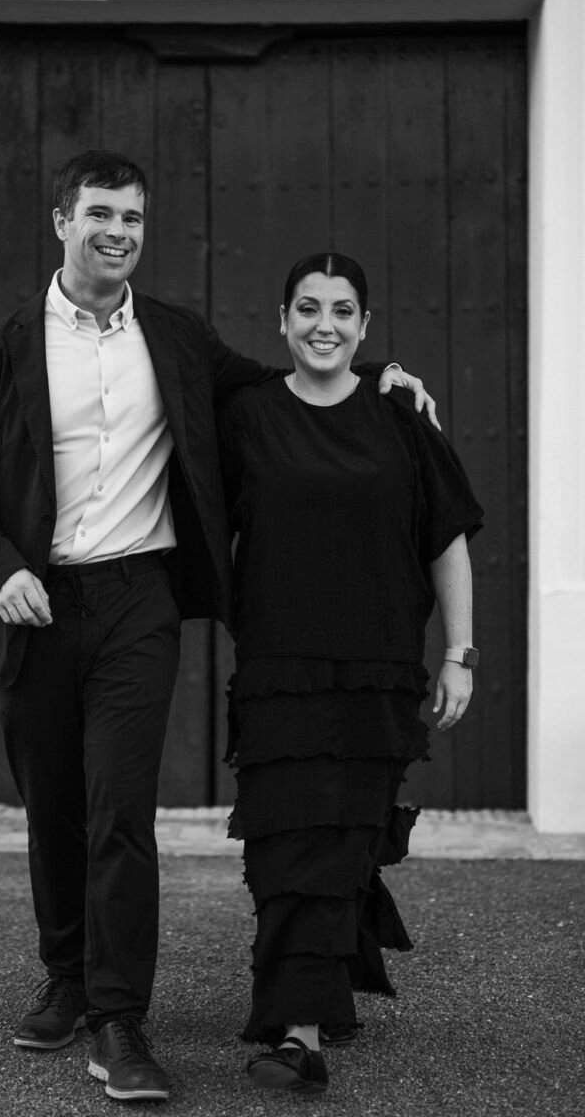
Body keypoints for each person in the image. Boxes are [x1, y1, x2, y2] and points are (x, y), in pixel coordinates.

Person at [0, 152, 437, 1103]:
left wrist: (376, 374)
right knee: (54, 808)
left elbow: (281, 380)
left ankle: (120, 1019)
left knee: (120, 810)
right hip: (35, 604)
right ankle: (67, 976)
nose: (118, 232)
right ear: (62, 221)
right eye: (100, 214)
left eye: (132, 217)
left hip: (138, 601)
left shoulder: (176, 336)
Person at [218, 251, 483, 1095]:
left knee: (348, 838)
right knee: (290, 842)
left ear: (365, 327)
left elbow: (446, 537)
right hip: (280, 668)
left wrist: (459, 654)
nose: (323, 325)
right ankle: (298, 1034)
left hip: (378, 668)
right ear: (282, 320)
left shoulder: (400, 415)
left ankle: (319, 996)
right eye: (307, 308)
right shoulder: (246, 415)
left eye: (341, 310)